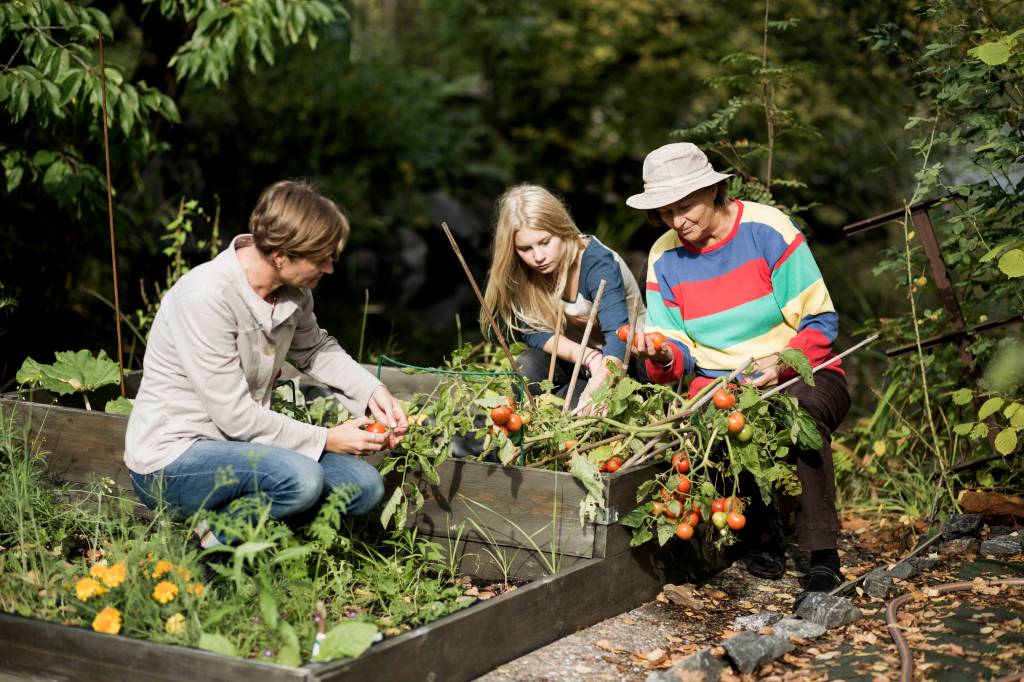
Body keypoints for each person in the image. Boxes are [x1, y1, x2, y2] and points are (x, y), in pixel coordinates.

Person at [125, 180, 408, 546]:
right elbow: (235, 416)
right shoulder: (205, 297)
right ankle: (208, 550)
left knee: (364, 487)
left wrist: (372, 391)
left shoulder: (294, 293)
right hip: (175, 459)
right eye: (321, 258)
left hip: (248, 450)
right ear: (281, 256)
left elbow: (315, 350)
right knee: (301, 479)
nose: (330, 268)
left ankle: (262, 539)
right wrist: (328, 439)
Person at [626, 143, 851, 601]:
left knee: (802, 418)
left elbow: (821, 322)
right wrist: (660, 354)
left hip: (801, 369)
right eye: (666, 211)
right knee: (705, 427)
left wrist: (781, 364)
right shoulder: (664, 256)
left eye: (685, 206)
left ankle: (822, 555)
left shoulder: (767, 230)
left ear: (713, 190)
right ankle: (759, 536)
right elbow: (678, 355)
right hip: (721, 382)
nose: (677, 221)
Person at [481, 184, 646, 413]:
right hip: (580, 359)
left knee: (571, 407)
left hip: (627, 362)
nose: (538, 257)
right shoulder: (526, 272)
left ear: (561, 229)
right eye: (525, 248)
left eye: (545, 242)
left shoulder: (597, 264)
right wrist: (589, 357)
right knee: (527, 367)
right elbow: (534, 332)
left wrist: (599, 382)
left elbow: (619, 338)